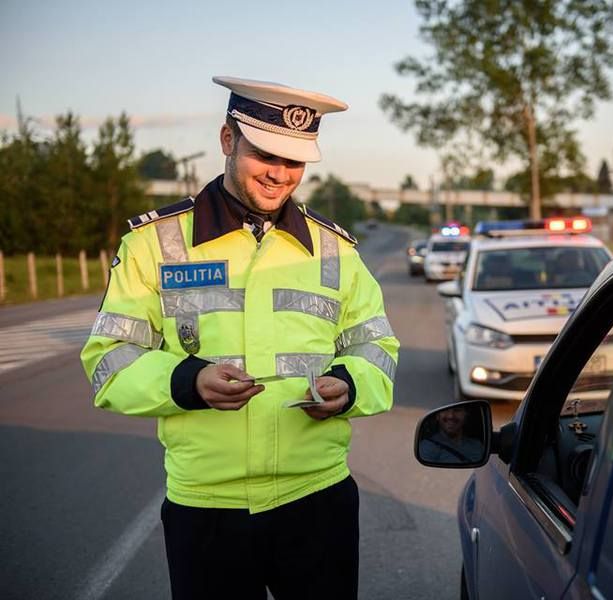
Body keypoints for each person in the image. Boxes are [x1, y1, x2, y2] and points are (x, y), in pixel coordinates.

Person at [80, 76, 399, 600]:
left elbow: (376, 348)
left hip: (317, 499)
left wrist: (350, 384)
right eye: (265, 154)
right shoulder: (153, 244)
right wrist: (189, 382)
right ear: (228, 139)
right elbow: (108, 359)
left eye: (294, 162)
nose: (279, 174)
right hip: (206, 508)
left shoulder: (337, 250)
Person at [419, 406, 484, 463]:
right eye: (445, 410)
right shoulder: (427, 446)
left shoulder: (477, 446)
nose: (451, 416)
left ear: (465, 416)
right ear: (437, 416)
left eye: (457, 410)